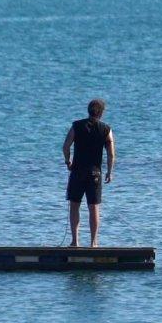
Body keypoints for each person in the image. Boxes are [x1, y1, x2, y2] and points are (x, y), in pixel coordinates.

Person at [62, 98, 115, 247]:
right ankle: (93, 243)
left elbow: (66, 146)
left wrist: (68, 162)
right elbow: (111, 154)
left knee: (74, 205)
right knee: (94, 208)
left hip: (77, 171)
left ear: (88, 110)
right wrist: (110, 172)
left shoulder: (76, 126)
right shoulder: (106, 129)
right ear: (101, 113)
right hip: (95, 174)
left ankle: (75, 241)